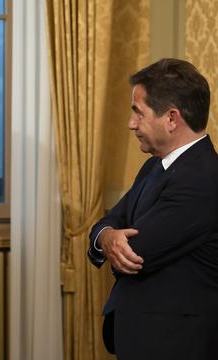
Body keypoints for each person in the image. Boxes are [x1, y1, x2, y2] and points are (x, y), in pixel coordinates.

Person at [87, 58, 218, 359]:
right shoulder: (152, 168)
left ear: (172, 118)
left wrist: (109, 235)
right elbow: (107, 224)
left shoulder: (203, 178)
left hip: (177, 344)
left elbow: (135, 253)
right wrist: (106, 236)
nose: (130, 123)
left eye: (138, 112)